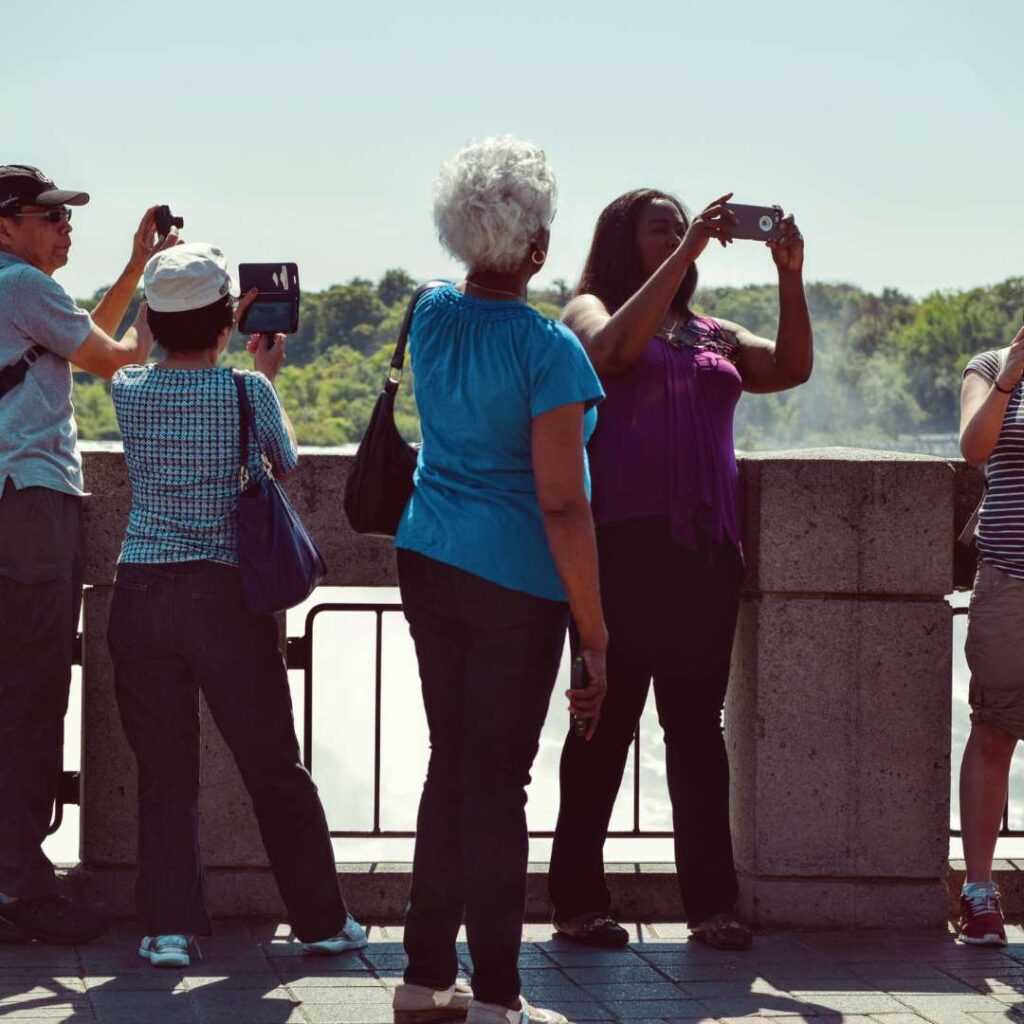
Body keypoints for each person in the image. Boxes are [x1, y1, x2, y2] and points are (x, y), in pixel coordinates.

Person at [549, 188, 811, 951]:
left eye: (680, 221)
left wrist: (790, 275)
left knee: (697, 730)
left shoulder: (711, 332)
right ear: (621, 238)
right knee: (604, 724)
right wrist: (686, 251)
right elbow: (610, 357)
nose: (675, 230)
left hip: (705, 552)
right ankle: (577, 902)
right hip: (619, 549)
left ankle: (712, 905)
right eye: (658, 224)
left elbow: (790, 367)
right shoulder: (587, 310)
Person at [390, 136, 607, 1024]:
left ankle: (423, 975)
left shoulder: (429, 311)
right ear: (539, 248)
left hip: (428, 554)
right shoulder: (549, 350)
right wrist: (594, 633)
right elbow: (563, 505)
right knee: (498, 785)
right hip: (515, 579)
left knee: (454, 767)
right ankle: (500, 995)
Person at [106, 242, 367, 968]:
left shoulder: (128, 389)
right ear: (226, 319)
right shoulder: (247, 392)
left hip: (141, 592)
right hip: (225, 594)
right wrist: (261, 367)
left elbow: (141, 346)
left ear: (156, 320)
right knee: (274, 767)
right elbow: (283, 462)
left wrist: (185, 314)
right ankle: (320, 920)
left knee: (164, 773)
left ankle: (166, 930)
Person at [0, 164, 175, 944]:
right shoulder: (20, 287)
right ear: (5, 225)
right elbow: (118, 361)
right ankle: (20, 889)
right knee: (30, 694)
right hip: (29, 504)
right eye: (51, 216)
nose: (65, 227)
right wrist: (173, 296)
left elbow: (77, 345)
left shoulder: (20, 295)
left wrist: (134, 269)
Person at [955, 323, 1024, 946]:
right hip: (1010, 580)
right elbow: (975, 448)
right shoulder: (993, 365)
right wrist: (1013, 373)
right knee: (996, 728)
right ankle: (978, 893)